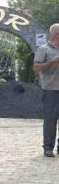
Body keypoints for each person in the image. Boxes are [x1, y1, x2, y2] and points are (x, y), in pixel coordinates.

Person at [33, 23, 59, 157]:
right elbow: (36, 67)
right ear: (56, 34)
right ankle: (48, 147)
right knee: (51, 119)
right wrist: (53, 62)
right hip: (51, 90)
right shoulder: (43, 49)